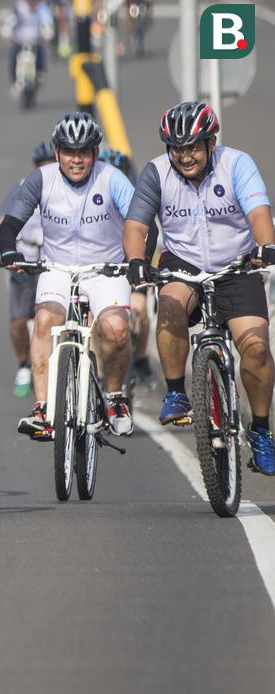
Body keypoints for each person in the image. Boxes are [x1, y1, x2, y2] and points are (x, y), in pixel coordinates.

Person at [122, 102, 275, 473]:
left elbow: (258, 212)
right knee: (170, 305)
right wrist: (137, 260)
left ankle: (260, 430)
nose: (184, 156)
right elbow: (136, 226)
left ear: (211, 142)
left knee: (256, 349)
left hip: (237, 265)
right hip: (183, 263)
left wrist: (265, 247)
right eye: (176, 148)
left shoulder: (236, 165)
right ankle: (176, 392)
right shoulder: (157, 173)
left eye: (192, 147)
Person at [0, 112, 135, 439]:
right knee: (44, 321)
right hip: (57, 268)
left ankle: (116, 398)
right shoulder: (41, 179)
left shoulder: (112, 178)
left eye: (84, 152)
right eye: (69, 152)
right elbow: (10, 224)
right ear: (57, 152)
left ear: (95, 152)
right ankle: (42, 408)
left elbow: (140, 223)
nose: (76, 159)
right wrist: (9, 251)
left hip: (105, 269)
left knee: (115, 330)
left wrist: (138, 259)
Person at [0, 140, 57, 398]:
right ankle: (23, 365)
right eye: (42, 165)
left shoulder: (67, 189)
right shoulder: (23, 187)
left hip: (54, 262)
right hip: (25, 261)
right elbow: (0, 223)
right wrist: (5, 247)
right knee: (19, 322)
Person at [99, 147, 156, 389]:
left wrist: (142, 262)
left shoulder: (134, 201)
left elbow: (151, 232)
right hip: (103, 270)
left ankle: (141, 360)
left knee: (139, 308)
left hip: (133, 267)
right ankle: (98, 371)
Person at [5, 0, 54, 94]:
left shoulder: (42, 9)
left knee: (41, 54)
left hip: (36, 41)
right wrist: (7, 33)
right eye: (29, 0)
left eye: (34, 0)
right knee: (13, 58)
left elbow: (47, 23)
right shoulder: (19, 8)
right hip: (20, 40)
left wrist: (47, 34)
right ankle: (14, 80)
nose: (32, 3)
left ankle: (40, 73)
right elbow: (11, 21)